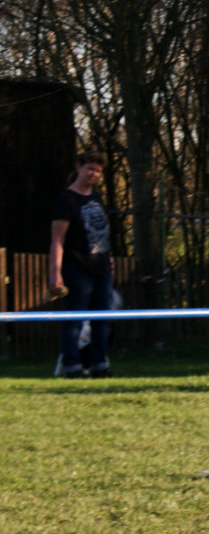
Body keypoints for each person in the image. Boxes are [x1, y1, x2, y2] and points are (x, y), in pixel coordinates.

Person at [48, 149, 114, 378]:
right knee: (74, 320)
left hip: (102, 268)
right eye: (90, 169)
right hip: (77, 269)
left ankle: (99, 364)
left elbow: (101, 232)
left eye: (97, 171)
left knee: (102, 320)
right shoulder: (67, 200)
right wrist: (55, 274)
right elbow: (57, 239)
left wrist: (109, 257)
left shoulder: (96, 197)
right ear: (78, 168)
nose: (93, 174)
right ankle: (72, 366)